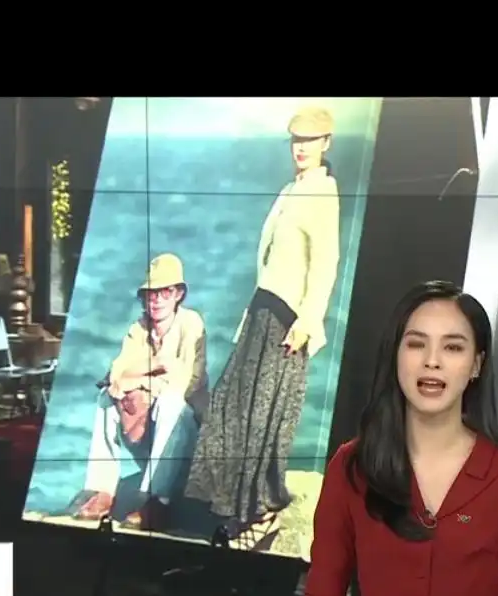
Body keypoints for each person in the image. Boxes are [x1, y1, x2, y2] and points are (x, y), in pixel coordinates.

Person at [304, 280, 498, 596]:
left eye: (453, 347)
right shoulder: (352, 465)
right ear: (396, 355)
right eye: (416, 344)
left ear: (476, 365)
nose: (432, 361)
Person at [185, 106, 341, 550]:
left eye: (310, 141)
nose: (301, 149)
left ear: (326, 143)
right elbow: (270, 261)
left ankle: (259, 511)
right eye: (296, 140)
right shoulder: (292, 189)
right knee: (232, 408)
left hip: (288, 319)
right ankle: (230, 509)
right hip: (261, 312)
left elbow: (325, 262)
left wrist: (307, 321)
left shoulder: (323, 192)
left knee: (264, 417)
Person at [74, 253, 208, 529]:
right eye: (150, 294)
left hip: (186, 440)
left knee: (170, 403)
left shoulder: (191, 323)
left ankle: (156, 500)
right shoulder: (139, 328)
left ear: (178, 294)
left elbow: (185, 382)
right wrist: (155, 368)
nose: (156, 300)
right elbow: (115, 377)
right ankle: (103, 491)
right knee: (105, 399)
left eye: (165, 291)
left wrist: (137, 381)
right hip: (148, 430)